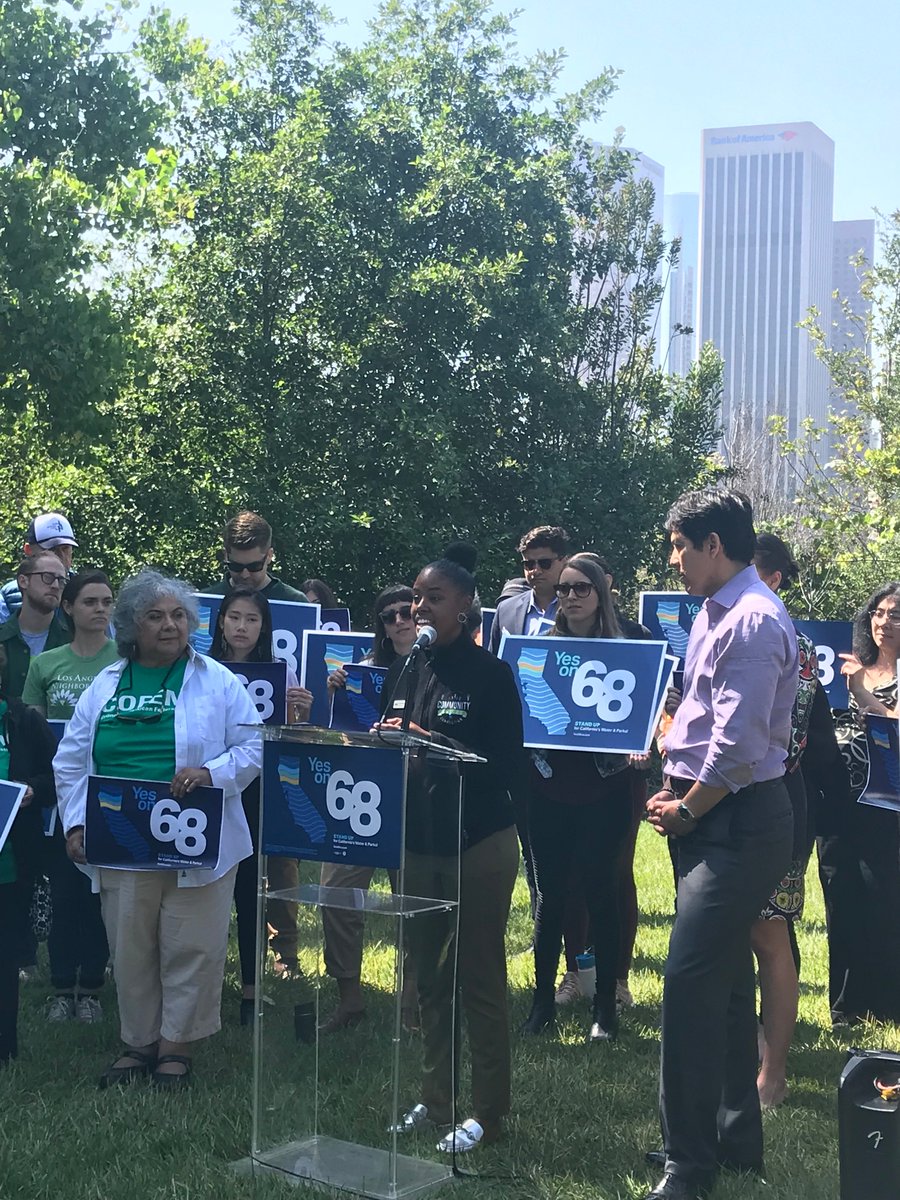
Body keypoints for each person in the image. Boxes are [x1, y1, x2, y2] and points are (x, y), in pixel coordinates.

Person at [642, 489, 797, 1200]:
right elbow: (706, 723)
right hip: (711, 815)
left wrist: (686, 810)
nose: (673, 559)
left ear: (713, 544)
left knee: (688, 982)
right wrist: (677, 789)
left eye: (679, 545)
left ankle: (688, 1166)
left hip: (738, 820)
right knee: (728, 987)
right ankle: (734, 1141)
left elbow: (737, 752)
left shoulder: (756, 620)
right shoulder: (715, 611)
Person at [54, 571, 262, 1089]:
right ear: (131, 625)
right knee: (131, 945)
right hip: (120, 833)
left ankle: (176, 1047)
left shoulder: (217, 680)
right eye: (155, 616)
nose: (170, 626)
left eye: (178, 616)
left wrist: (212, 774)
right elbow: (72, 761)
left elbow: (255, 747)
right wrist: (76, 822)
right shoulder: (105, 684)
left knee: (192, 944)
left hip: (198, 836)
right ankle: (138, 1043)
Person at [381, 556, 526, 1153]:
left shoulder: (491, 676)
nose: (419, 609)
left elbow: (505, 766)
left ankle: (488, 1114)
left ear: (463, 607)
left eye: (432, 598)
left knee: (480, 979)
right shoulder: (413, 666)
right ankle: (435, 1099)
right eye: (416, 598)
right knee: (428, 979)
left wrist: (431, 744)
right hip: (421, 841)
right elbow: (394, 733)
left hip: (479, 842)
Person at [522, 553, 643, 1043]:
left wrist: (653, 723)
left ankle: (605, 1009)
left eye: (581, 588)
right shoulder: (538, 649)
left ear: (601, 593)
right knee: (550, 897)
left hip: (607, 786)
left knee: (602, 890)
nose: (570, 597)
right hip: (550, 784)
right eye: (565, 588)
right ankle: (541, 1003)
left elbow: (650, 710)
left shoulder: (629, 647)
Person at [208, 587, 312, 1022]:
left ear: (264, 627)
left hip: (256, 790)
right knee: (207, 888)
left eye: (252, 619)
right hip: (209, 786)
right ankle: (207, 982)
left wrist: (301, 713)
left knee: (251, 887)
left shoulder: (281, 673)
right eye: (235, 617)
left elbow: (290, 738)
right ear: (220, 622)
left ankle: (252, 990)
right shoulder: (202, 671)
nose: (242, 627)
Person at [318, 584, 418, 1032]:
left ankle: (413, 1009)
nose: (399, 620)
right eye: (388, 615)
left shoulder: (440, 670)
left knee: (415, 904)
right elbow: (342, 739)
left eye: (406, 611)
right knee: (335, 895)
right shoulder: (361, 673)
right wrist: (337, 698)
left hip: (418, 797)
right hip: (361, 796)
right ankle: (349, 999)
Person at [22, 572, 118, 1023]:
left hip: (111, 793)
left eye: (107, 602)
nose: (100, 610)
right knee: (63, 892)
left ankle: (93, 988)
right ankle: (62, 987)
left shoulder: (126, 661)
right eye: (90, 602)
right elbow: (34, 733)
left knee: (98, 892)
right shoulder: (47, 664)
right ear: (69, 608)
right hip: (61, 792)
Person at [829, 581, 900, 1024]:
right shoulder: (846, 665)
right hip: (839, 800)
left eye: (895, 614)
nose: (884, 622)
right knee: (839, 895)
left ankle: (888, 1002)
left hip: (889, 807)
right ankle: (844, 1006)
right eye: (879, 612)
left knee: (883, 898)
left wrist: (863, 694)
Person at [0, 684, 59, 1063]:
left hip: (10, 865)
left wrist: (33, 790)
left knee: (4, 958)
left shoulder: (23, 720)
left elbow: (58, 774)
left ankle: (5, 1047)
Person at [487, 525, 569, 653]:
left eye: (544, 563)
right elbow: (492, 664)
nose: (536, 571)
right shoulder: (505, 610)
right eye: (529, 564)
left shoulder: (578, 608)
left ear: (564, 561)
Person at [0, 553, 72, 699]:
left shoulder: (73, 642)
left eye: (61, 580)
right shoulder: (3, 640)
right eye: (47, 577)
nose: (56, 586)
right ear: (23, 581)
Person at [204, 511, 308, 602]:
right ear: (226, 556)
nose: (245, 575)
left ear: (269, 556)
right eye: (236, 566)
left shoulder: (295, 602)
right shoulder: (204, 601)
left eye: (254, 567)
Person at [0, 513, 79, 624]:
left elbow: (104, 639)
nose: (61, 556)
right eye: (52, 549)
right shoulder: (9, 598)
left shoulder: (86, 592)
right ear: (28, 550)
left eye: (65, 548)